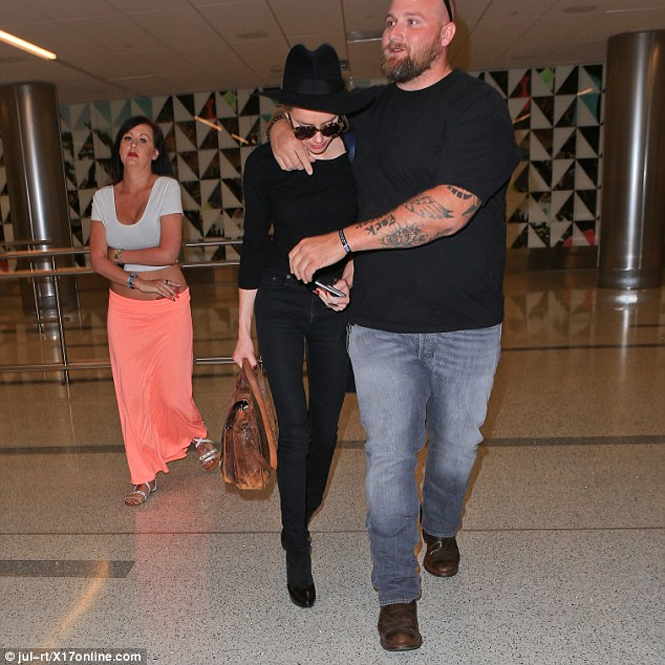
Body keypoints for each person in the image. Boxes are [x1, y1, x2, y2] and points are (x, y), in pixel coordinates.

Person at [270, 0, 521, 651]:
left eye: (413, 20)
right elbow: (310, 117)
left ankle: (440, 524)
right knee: (388, 457)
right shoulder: (371, 110)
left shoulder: (478, 108)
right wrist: (279, 129)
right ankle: (395, 592)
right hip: (380, 323)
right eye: (389, 20)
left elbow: (448, 209)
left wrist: (341, 243)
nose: (395, 32)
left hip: (466, 322)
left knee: (455, 449)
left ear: (446, 34)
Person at [232, 44, 372, 609]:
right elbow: (252, 247)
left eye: (327, 127)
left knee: (326, 429)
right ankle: (297, 545)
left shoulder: (360, 153)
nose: (316, 139)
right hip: (280, 301)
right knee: (294, 430)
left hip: (334, 304)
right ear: (285, 114)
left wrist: (353, 275)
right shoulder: (266, 164)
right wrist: (242, 332)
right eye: (303, 128)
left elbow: (371, 228)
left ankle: (301, 504)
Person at [89, 115, 219, 507]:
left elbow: (168, 251)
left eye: (143, 140)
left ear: (155, 152)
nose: (134, 145)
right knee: (132, 396)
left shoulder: (166, 188)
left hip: (168, 306)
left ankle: (195, 431)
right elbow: (98, 260)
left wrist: (121, 253)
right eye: (128, 138)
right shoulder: (103, 199)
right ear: (120, 148)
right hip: (124, 309)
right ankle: (144, 475)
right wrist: (135, 280)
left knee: (172, 390)